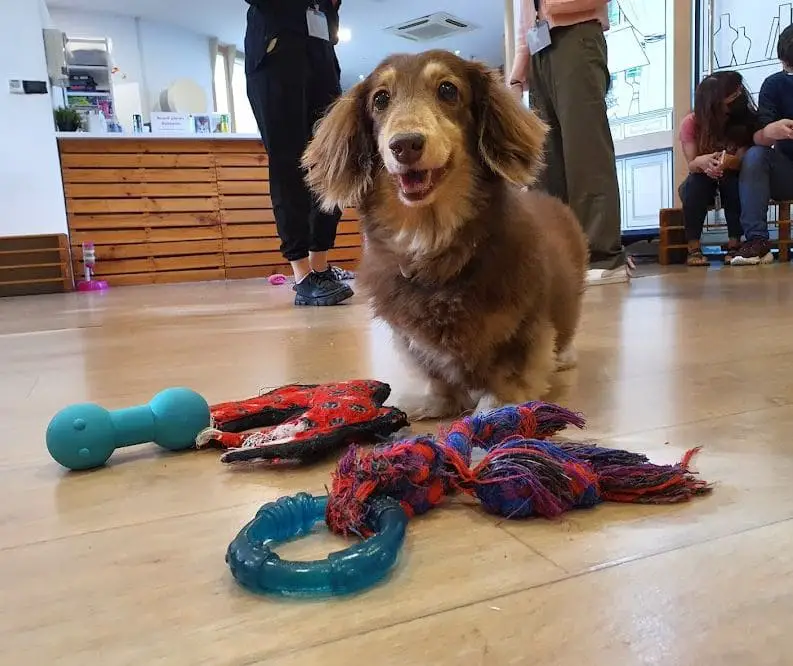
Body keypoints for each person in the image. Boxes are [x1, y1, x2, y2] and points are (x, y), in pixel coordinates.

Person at [509, 0, 631, 285]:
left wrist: (549, 7)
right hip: (539, 49)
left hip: (577, 35)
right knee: (546, 163)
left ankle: (603, 256)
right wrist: (517, 76)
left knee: (585, 151)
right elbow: (524, 22)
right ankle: (560, 256)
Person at [245, 0, 353, 306]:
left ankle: (320, 265)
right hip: (276, 46)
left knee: (331, 158)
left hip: (320, 49)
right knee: (287, 160)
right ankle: (302, 274)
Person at [678, 72, 759, 266]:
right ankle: (694, 247)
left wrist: (728, 161)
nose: (738, 95)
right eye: (732, 94)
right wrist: (703, 161)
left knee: (733, 185)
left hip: (731, 173)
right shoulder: (691, 123)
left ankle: (734, 243)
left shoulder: (743, 121)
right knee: (695, 186)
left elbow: (742, 159)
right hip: (701, 174)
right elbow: (692, 164)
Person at [736, 24, 793, 266]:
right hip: (788, 172)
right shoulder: (773, 84)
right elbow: (758, 137)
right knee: (756, 155)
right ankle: (757, 241)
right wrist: (769, 132)